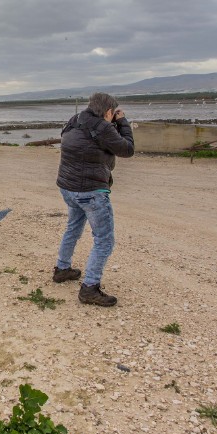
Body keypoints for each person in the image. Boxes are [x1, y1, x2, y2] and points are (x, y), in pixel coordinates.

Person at [54, 92, 134, 307]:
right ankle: (89, 288)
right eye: (113, 113)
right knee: (104, 240)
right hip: (90, 191)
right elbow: (127, 149)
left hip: (68, 187)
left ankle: (62, 269)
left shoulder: (75, 120)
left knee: (73, 227)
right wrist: (123, 122)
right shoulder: (104, 127)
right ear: (109, 112)